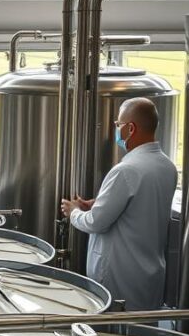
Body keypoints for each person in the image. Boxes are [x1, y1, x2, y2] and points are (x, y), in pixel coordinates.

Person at [60, 97, 178, 310]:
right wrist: (99, 202)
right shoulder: (167, 166)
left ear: (130, 128)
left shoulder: (126, 170)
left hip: (119, 277)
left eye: (118, 125)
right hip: (149, 274)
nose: (116, 130)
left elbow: (95, 223)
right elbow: (143, 207)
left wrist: (74, 212)